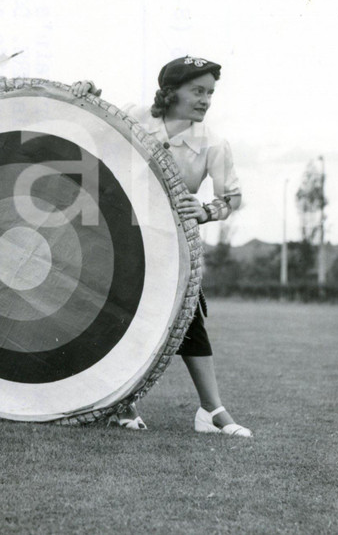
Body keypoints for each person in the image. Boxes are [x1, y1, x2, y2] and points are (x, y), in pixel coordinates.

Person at [78, 56, 252, 437]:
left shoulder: (214, 143)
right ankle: (122, 404)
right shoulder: (133, 116)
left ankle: (211, 410)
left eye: (210, 92)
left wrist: (206, 210)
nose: (206, 100)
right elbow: (88, 127)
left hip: (167, 246)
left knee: (188, 320)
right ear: (171, 91)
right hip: (111, 238)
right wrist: (87, 95)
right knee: (113, 318)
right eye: (197, 90)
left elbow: (233, 198)